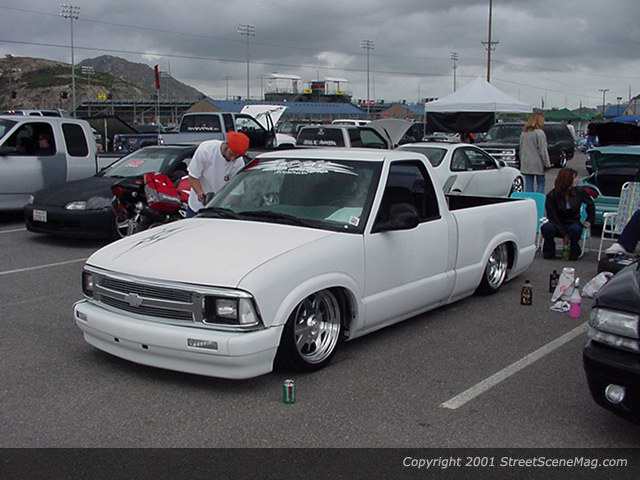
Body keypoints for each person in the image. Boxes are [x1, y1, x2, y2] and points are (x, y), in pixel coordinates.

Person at [186, 131, 250, 216]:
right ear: (226, 145)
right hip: (197, 207)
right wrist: (200, 194)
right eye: (231, 154)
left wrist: (228, 202)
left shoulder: (239, 162)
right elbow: (192, 176)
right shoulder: (206, 150)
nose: (233, 158)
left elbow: (236, 190)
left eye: (237, 156)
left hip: (220, 209)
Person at [542, 168, 595, 260]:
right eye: (574, 178)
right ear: (567, 180)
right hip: (556, 223)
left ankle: (573, 251)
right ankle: (549, 251)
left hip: (573, 222)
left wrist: (589, 220)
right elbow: (552, 216)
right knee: (546, 228)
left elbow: (591, 205)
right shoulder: (552, 195)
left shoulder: (580, 192)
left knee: (575, 229)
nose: (577, 180)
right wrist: (565, 233)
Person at [519, 112, 551, 193]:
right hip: (538, 163)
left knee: (529, 184)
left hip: (526, 162)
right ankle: (538, 199)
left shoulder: (524, 133)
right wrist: (547, 164)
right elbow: (543, 150)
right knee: (541, 183)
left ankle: (530, 199)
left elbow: (521, 148)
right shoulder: (540, 133)